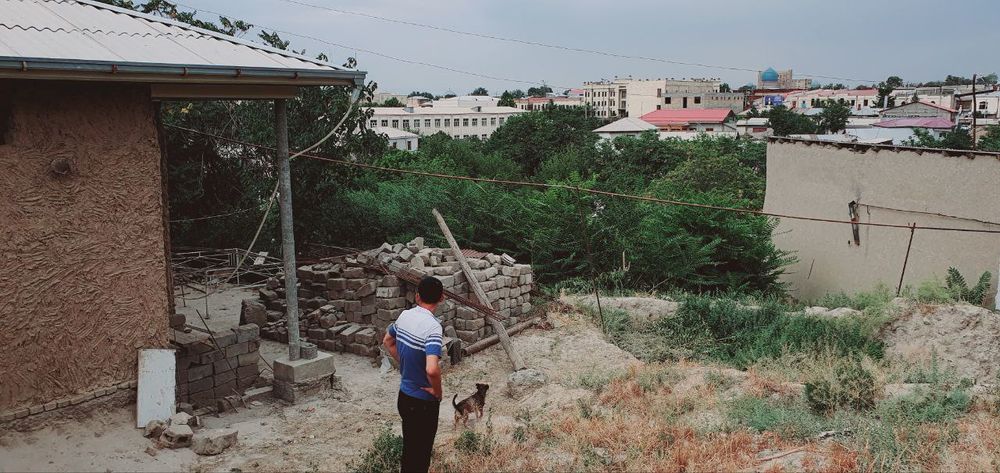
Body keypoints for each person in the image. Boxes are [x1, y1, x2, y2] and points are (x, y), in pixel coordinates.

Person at [383, 276, 445, 473]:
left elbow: (387, 341)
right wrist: (437, 392)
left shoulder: (404, 316)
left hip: (404, 397)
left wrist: (406, 363)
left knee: (410, 451)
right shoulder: (433, 328)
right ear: (441, 298)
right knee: (421, 457)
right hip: (423, 404)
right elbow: (432, 369)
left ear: (417, 297)